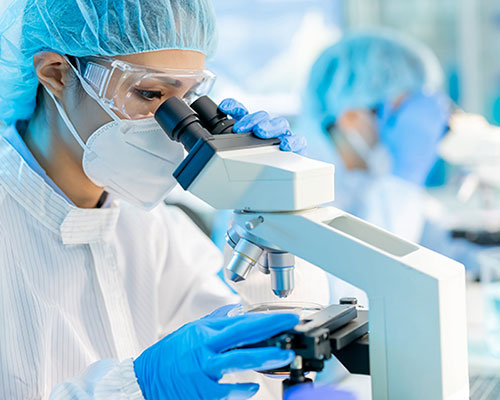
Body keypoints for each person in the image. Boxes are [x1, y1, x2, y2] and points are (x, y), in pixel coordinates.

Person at [0, 1, 308, 398]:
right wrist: (140, 386)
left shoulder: (156, 230)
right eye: (148, 93)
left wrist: (270, 216)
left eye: (189, 98)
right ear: (55, 74)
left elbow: (255, 372)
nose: (173, 126)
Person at [299, 29, 450, 244]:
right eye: (401, 112)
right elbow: (373, 268)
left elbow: (437, 239)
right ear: (351, 116)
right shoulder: (305, 188)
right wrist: (404, 178)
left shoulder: (371, 170)